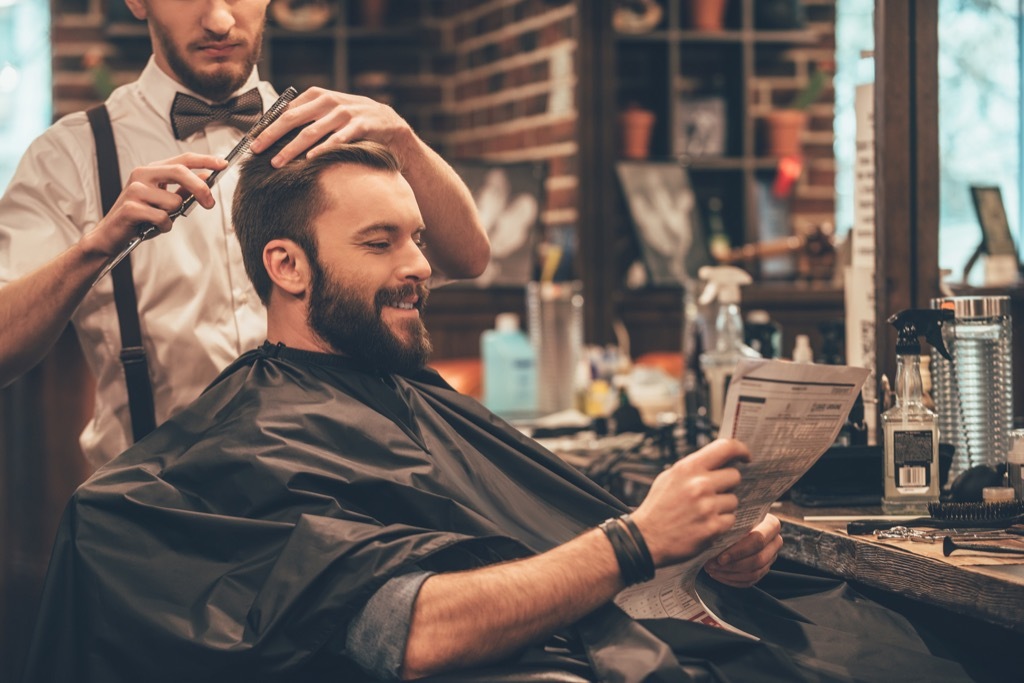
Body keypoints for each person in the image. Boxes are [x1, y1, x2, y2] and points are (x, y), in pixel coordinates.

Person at [22, 136, 972, 683]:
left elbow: (517, 517)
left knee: (899, 640)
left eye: (418, 239)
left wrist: (696, 542)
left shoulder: (396, 388)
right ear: (288, 264)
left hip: (640, 623)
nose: (422, 266)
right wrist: (639, 541)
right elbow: (409, 626)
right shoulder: (263, 442)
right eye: (383, 242)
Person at [0, 0, 488, 468]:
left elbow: (468, 259)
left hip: (339, 487)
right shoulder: (70, 155)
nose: (217, 19)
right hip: (161, 510)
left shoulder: (330, 130)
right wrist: (95, 248)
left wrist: (404, 140)